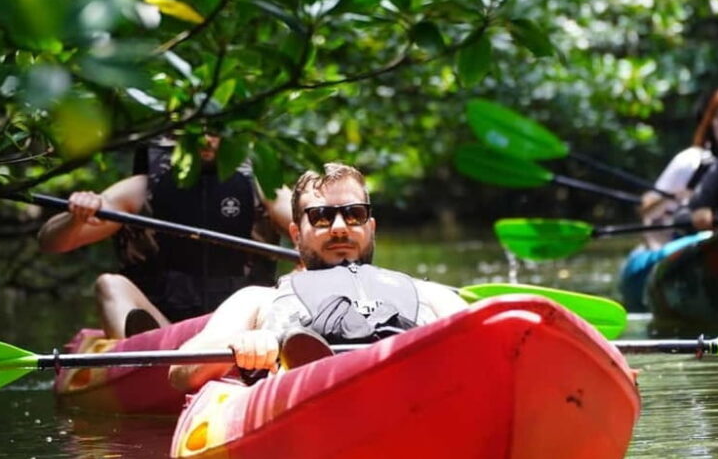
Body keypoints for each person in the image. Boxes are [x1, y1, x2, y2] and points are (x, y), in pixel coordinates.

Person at [168, 163, 469, 392]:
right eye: (321, 217)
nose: (339, 227)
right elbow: (180, 373)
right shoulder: (258, 299)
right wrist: (239, 344)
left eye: (354, 214)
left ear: (371, 227)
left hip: (418, 387)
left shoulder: (430, 294)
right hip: (301, 399)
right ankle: (306, 374)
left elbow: (487, 345)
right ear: (296, 234)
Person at [38, 131, 292, 338]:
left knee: (303, 272)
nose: (207, 140)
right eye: (197, 133)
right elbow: (52, 242)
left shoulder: (264, 188)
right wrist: (77, 215)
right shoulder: (140, 189)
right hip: (164, 333)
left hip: (247, 331)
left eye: (215, 132)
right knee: (110, 284)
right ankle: (136, 362)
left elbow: (311, 226)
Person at [619, 89, 718, 310]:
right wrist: (687, 207)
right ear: (711, 122)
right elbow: (652, 210)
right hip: (676, 244)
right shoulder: (693, 162)